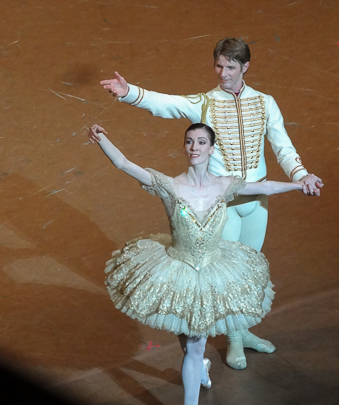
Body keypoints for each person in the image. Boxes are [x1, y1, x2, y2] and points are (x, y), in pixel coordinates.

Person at [97, 37, 324, 370]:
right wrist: (129, 92)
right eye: (219, 66)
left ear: (245, 67)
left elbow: (283, 145)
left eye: (230, 67)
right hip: (224, 205)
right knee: (224, 279)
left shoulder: (265, 103)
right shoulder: (205, 103)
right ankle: (235, 341)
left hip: (256, 200)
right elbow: (167, 104)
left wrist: (301, 176)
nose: (223, 73)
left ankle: (241, 331)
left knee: (246, 273)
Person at [88, 121, 320, 405]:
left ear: (212, 149)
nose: (194, 147)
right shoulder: (170, 187)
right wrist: (102, 138)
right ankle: (194, 389)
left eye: (200, 142)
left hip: (213, 271)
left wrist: (300, 183)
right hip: (177, 271)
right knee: (188, 337)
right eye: (189, 142)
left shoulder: (225, 185)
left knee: (195, 346)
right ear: (184, 147)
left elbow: (264, 188)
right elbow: (124, 164)